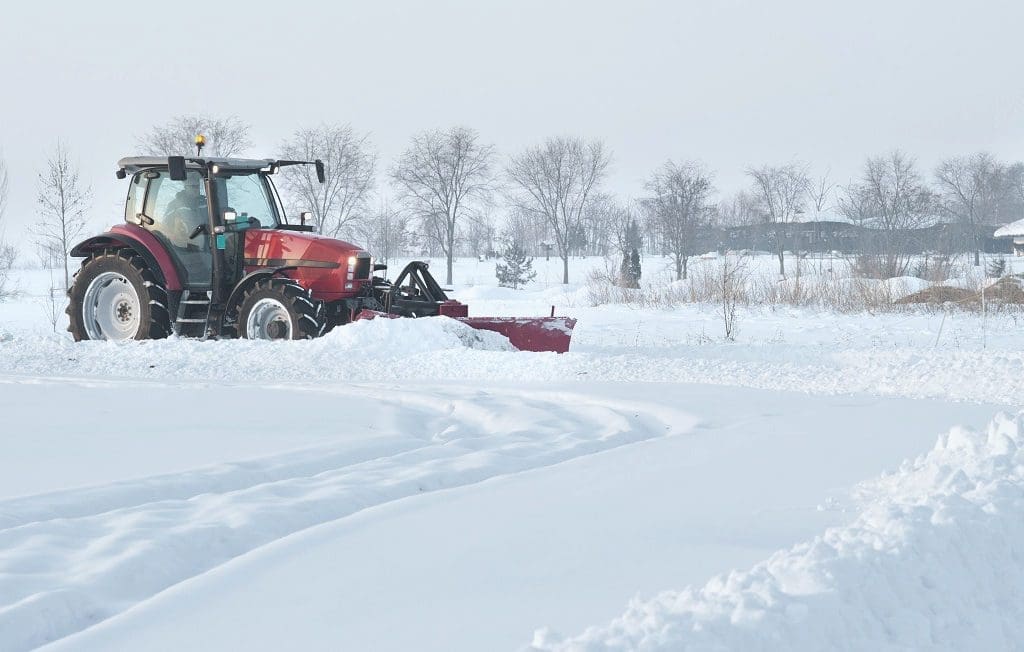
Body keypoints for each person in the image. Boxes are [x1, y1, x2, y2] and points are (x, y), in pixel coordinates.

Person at [165, 175, 208, 247]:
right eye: (193, 186)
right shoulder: (175, 205)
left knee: (221, 242)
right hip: (184, 247)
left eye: (197, 186)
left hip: (207, 243)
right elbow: (166, 225)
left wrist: (222, 245)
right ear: (186, 187)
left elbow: (218, 226)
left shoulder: (207, 204)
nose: (196, 189)